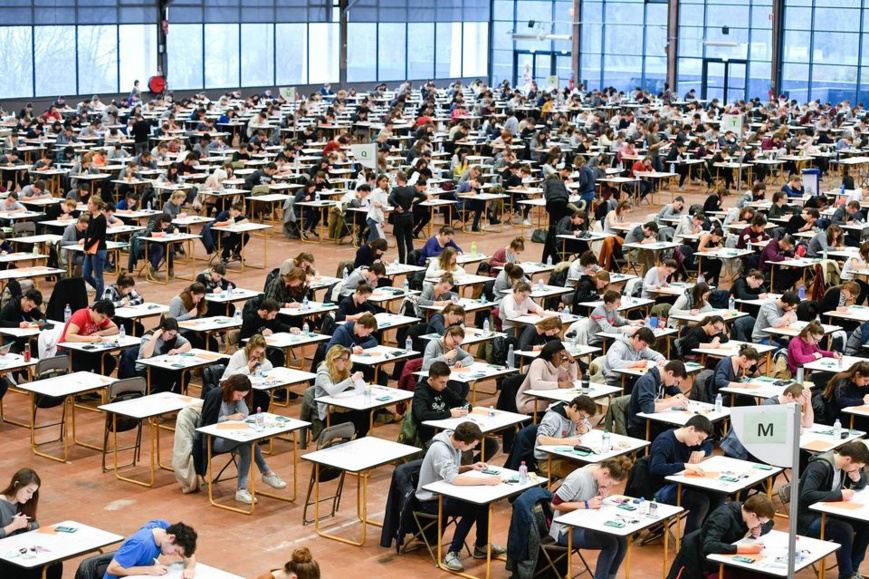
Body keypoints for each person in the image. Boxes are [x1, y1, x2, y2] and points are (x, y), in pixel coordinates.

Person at [415, 420, 506, 572]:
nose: (474, 448)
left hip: (445, 492)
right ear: (463, 442)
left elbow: (451, 470)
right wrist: (485, 480)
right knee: (472, 508)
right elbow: (454, 479)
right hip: (431, 499)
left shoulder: (454, 443)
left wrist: (469, 467)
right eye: (473, 445)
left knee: (483, 503)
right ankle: (453, 553)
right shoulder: (440, 449)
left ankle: (482, 546)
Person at [200, 374, 287, 504]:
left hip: (232, 435)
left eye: (243, 396)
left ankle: (241, 490)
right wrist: (228, 418)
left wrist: (239, 400)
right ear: (231, 388)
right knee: (249, 439)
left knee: (246, 448)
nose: (240, 398)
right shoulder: (215, 395)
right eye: (239, 395)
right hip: (213, 439)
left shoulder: (236, 398)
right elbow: (207, 423)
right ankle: (266, 472)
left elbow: (245, 414)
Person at [549, 457, 634, 579]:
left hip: (585, 523)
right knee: (610, 544)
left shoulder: (599, 476)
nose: (609, 486)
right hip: (566, 530)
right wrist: (586, 505)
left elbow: (595, 503)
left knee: (622, 540)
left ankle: (610, 577)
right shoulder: (578, 478)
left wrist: (603, 495)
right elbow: (554, 504)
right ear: (605, 473)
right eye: (610, 483)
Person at [797, 442, 869, 579]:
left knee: (866, 525)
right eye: (856, 467)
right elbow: (807, 495)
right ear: (848, 459)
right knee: (845, 529)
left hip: (828, 513)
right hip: (808, 521)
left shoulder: (844, 467)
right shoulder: (820, 466)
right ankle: (846, 575)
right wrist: (839, 495)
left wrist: (858, 478)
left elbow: (862, 484)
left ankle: (853, 571)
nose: (856, 470)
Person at [667, 495, 776, 579]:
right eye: (760, 523)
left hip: (727, 559)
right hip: (708, 563)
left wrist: (759, 530)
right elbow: (709, 546)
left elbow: (769, 523)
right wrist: (745, 549)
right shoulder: (723, 517)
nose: (760, 525)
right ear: (753, 515)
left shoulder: (748, 513)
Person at [649, 415, 720, 536]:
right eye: (699, 438)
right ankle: (689, 543)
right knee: (701, 502)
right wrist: (684, 465)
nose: (699, 442)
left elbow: (708, 446)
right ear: (691, 429)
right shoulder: (665, 441)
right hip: (662, 489)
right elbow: (656, 468)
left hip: (681, 483)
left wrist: (701, 452)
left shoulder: (690, 440)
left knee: (718, 495)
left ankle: (704, 535)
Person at [721, 383, 813, 461]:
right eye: (797, 403)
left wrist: (808, 402)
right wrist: (792, 429)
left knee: (801, 457)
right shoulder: (769, 406)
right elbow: (767, 432)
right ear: (789, 396)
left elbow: (807, 423)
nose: (798, 407)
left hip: (755, 448)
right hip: (742, 450)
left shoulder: (788, 407)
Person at [0, 469, 60, 579]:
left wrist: (26, 525)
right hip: (4, 557)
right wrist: (13, 526)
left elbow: (35, 525)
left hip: (20, 551)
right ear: (16, 485)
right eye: (28, 491)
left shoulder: (24, 503)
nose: (31, 496)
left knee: (55, 564)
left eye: (33, 492)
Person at [104, 519, 197, 579]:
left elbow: (188, 553)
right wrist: (149, 569)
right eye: (176, 551)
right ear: (171, 538)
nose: (174, 555)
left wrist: (190, 568)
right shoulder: (140, 544)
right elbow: (112, 569)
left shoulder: (163, 527)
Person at [533, 395, 597, 478]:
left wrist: (585, 428)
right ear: (574, 407)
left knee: (593, 469)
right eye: (581, 417)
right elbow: (541, 439)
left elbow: (588, 424)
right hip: (548, 461)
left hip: (567, 456)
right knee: (582, 475)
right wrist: (568, 441)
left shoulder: (576, 415)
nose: (581, 419)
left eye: (583, 418)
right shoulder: (554, 416)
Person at [314, 344, 371, 438]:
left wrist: (356, 383)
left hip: (341, 406)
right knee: (359, 415)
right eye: (343, 360)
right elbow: (332, 390)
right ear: (334, 359)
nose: (345, 363)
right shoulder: (323, 373)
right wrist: (351, 380)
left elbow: (345, 385)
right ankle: (348, 438)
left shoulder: (341, 370)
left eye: (347, 360)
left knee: (369, 411)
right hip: (328, 413)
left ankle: (358, 437)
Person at [626, 360, 690, 440]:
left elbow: (680, 395)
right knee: (677, 436)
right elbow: (647, 408)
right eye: (675, 381)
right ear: (670, 373)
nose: (675, 384)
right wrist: (672, 402)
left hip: (654, 422)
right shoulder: (648, 380)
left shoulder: (665, 380)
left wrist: (667, 401)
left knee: (682, 431)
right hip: (640, 427)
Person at [515, 341, 579, 415]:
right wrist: (559, 385)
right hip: (529, 401)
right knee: (564, 408)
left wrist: (571, 360)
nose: (561, 361)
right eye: (560, 357)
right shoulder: (538, 362)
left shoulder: (556, 365)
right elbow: (535, 384)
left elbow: (571, 379)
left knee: (568, 406)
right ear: (553, 354)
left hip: (546, 399)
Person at [57, 299, 118, 375]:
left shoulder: (100, 317)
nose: (103, 321)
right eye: (102, 317)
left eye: (105, 319)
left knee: (109, 362)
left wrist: (99, 333)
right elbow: (68, 336)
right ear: (95, 310)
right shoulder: (81, 315)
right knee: (85, 365)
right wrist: (90, 339)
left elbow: (115, 328)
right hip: (68, 350)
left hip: (86, 349)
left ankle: (97, 383)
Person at [136, 317, 192, 394]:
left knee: (185, 374)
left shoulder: (173, 337)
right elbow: (146, 355)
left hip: (162, 367)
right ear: (163, 330)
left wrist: (177, 350)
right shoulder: (148, 337)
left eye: (173, 335)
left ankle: (175, 395)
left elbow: (188, 345)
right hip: (146, 369)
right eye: (169, 334)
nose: (171, 337)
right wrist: (154, 338)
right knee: (167, 375)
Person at [601, 327, 666, 388]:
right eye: (644, 344)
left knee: (650, 383)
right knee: (644, 386)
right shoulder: (619, 346)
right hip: (613, 380)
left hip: (627, 378)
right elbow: (614, 363)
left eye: (646, 346)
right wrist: (636, 364)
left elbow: (655, 354)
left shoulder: (640, 347)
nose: (644, 348)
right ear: (637, 337)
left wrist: (661, 359)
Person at [388, 173, 429, 264]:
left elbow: (390, 199)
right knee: (409, 241)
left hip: (400, 217)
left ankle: (402, 261)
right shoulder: (411, 189)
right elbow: (424, 196)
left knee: (400, 241)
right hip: (410, 217)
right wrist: (413, 204)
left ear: (398, 179)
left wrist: (397, 206)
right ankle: (411, 261)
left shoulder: (396, 190)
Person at [0, 288, 43, 354]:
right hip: (10, 338)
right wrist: (18, 324)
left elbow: (41, 315)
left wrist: (41, 321)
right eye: (29, 306)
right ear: (25, 298)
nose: (30, 309)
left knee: (41, 348)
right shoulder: (11, 306)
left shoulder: (30, 307)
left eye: (32, 308)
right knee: (13, 354)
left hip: (25, 338)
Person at [102, 270, 145, 335]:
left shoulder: (129, 290)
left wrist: (130, 303)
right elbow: (107, 305)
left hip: (123, 318)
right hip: (111, 319)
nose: (130, 291)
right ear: (121, 287)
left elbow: (140, 299)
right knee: (121, 330)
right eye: (128, 290)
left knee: (139, 328)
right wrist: (121, 302)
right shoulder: (109, 290)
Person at [82, 196, 108, 297]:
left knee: (98, 277)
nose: (88, 205)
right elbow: (88, 232)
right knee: (86, 274)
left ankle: (99, 299)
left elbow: (97, 235)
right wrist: (85, 246)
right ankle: (102, 291)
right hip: (90, 248)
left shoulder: (101, 219)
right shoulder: (91, 216)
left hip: (98, 249)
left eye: (90, 203)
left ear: (96, 206)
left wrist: (87, 246)